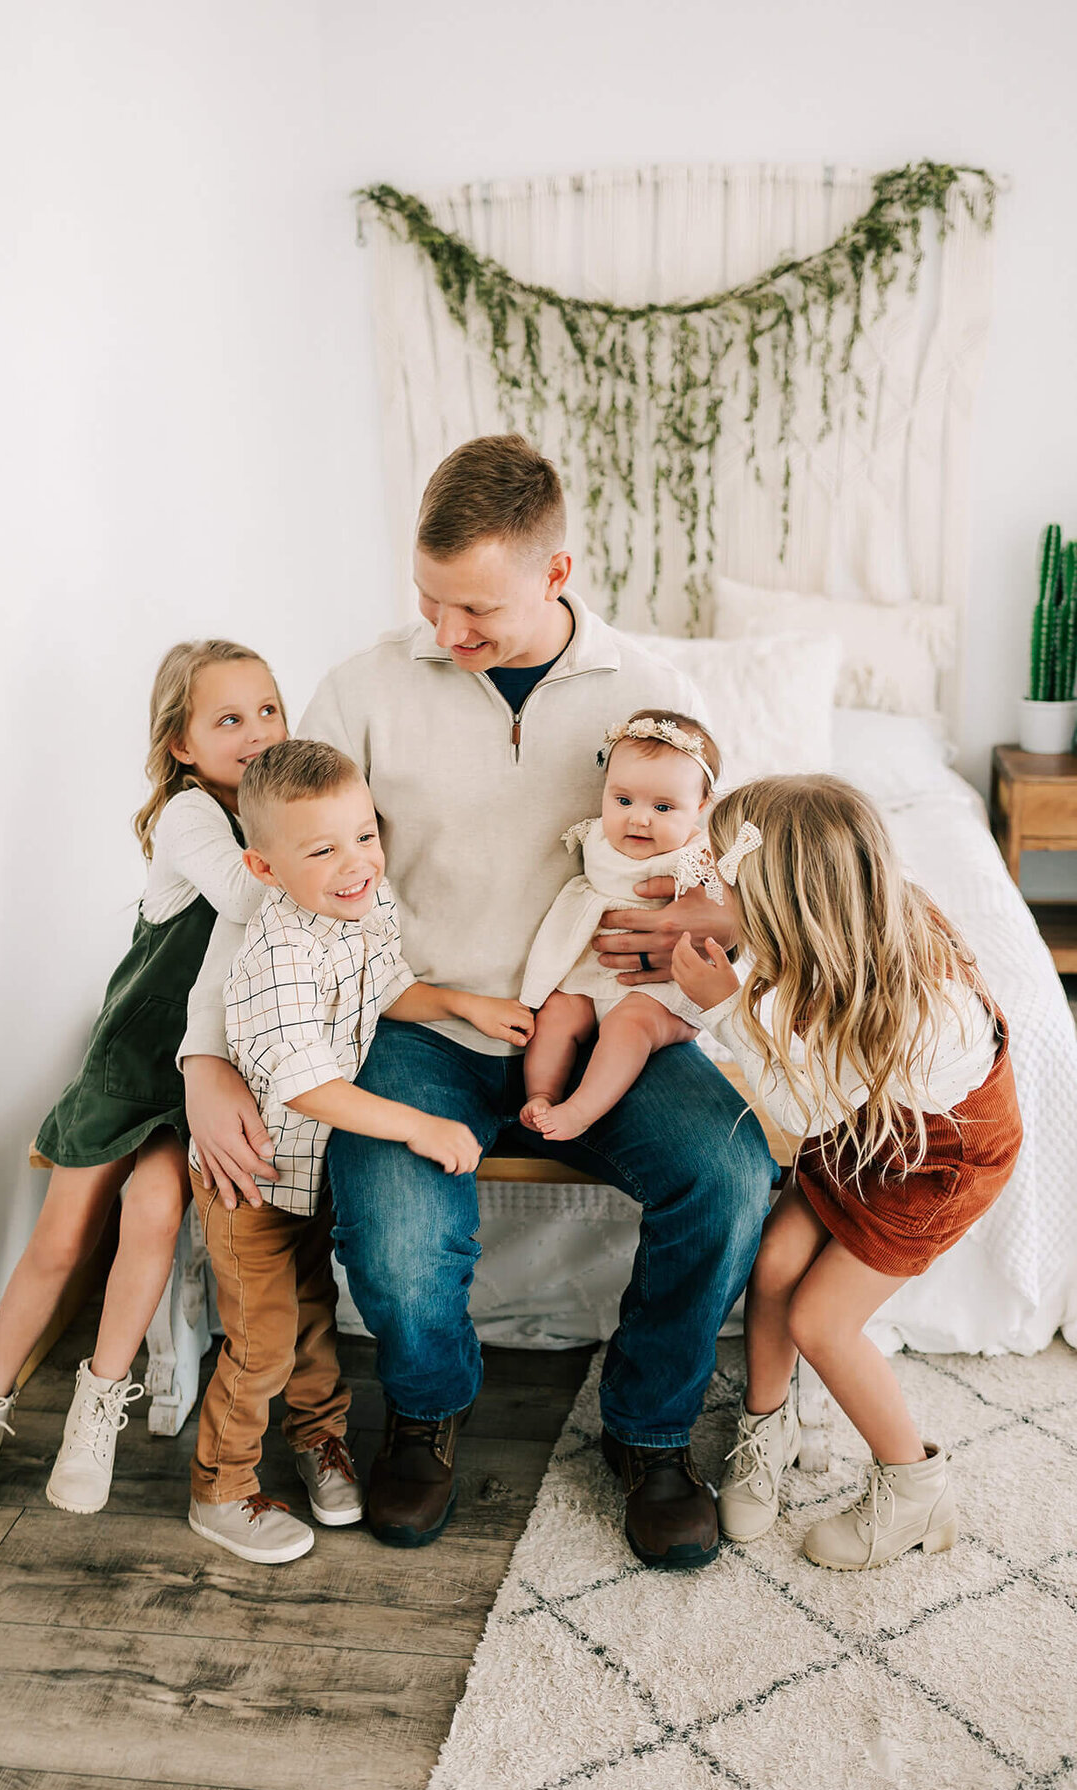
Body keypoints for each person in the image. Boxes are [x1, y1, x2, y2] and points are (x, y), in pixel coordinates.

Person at [182, 435, 776, 1571]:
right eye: (431, 600)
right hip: (416, 1024)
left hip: (602, 1023)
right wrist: (206, 1056)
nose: (449, 633)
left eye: (477, 610)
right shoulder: (361, 688)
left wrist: (704, 949)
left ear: (558, 575)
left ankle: (649, 1431)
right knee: (397, 1242)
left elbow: (734, 862)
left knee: (731, 1172)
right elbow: (275, 880)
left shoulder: (656, 695)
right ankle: (428, 1413)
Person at [0, 640, 288, 1538]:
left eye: (270, 710)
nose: (256, 732)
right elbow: (246, 900)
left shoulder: (279, 815)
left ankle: (97, 1408)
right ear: (181, 744)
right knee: (60, 1237)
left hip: (202, 1070)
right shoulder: (192, 817)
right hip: (133, 1062)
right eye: (228, 718)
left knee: (156, 1211)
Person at [188, 738, 532, 1562]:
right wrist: (419, 1124)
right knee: (263, 1338)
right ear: (266, 870)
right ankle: (222, 1485)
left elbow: (383, 986)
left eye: (365, 836)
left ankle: (320, 1440)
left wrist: (461, 1004)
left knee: (314, 1319)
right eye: (322, 849)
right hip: (255, 1180)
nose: (356, 863)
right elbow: (308, 1084)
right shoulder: (278, 951)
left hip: (309, 1176)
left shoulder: (356, 907)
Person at [671, 776, 1023, 1570]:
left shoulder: (915, 1010)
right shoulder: (837, 917)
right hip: (863, 1120)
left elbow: (804, 1109)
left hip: (935, 1159)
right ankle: (767, 1424)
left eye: (729, 881)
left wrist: (725, 1008)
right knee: (776, 1263)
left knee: (820, 1320)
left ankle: (915, 1487)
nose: (714, 885)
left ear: (784, 902)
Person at [519, 708, 723, 1141]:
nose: (639, 818)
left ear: (701, 806)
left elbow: (728, 909)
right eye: (623, 800)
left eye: (664, 807)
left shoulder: (700, 854)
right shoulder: (594, 834)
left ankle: (581, 1110)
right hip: (590, 968)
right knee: (556, 1013)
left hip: (653, 988)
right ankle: (541, 1094)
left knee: (627, 1026)